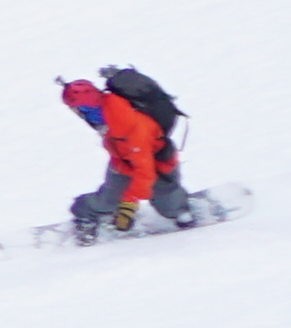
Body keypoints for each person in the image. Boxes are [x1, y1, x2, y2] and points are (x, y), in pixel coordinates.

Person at [58, 70, 197, 239]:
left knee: (168, 203)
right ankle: (85, 216)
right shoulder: (101, 112)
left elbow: (145, 172)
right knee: (106, 201)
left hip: (157, 163)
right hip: (123, 163)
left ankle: (181, 210)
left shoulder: (129, 127)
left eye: (73, 108)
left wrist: (128, 204)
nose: (74, 112)